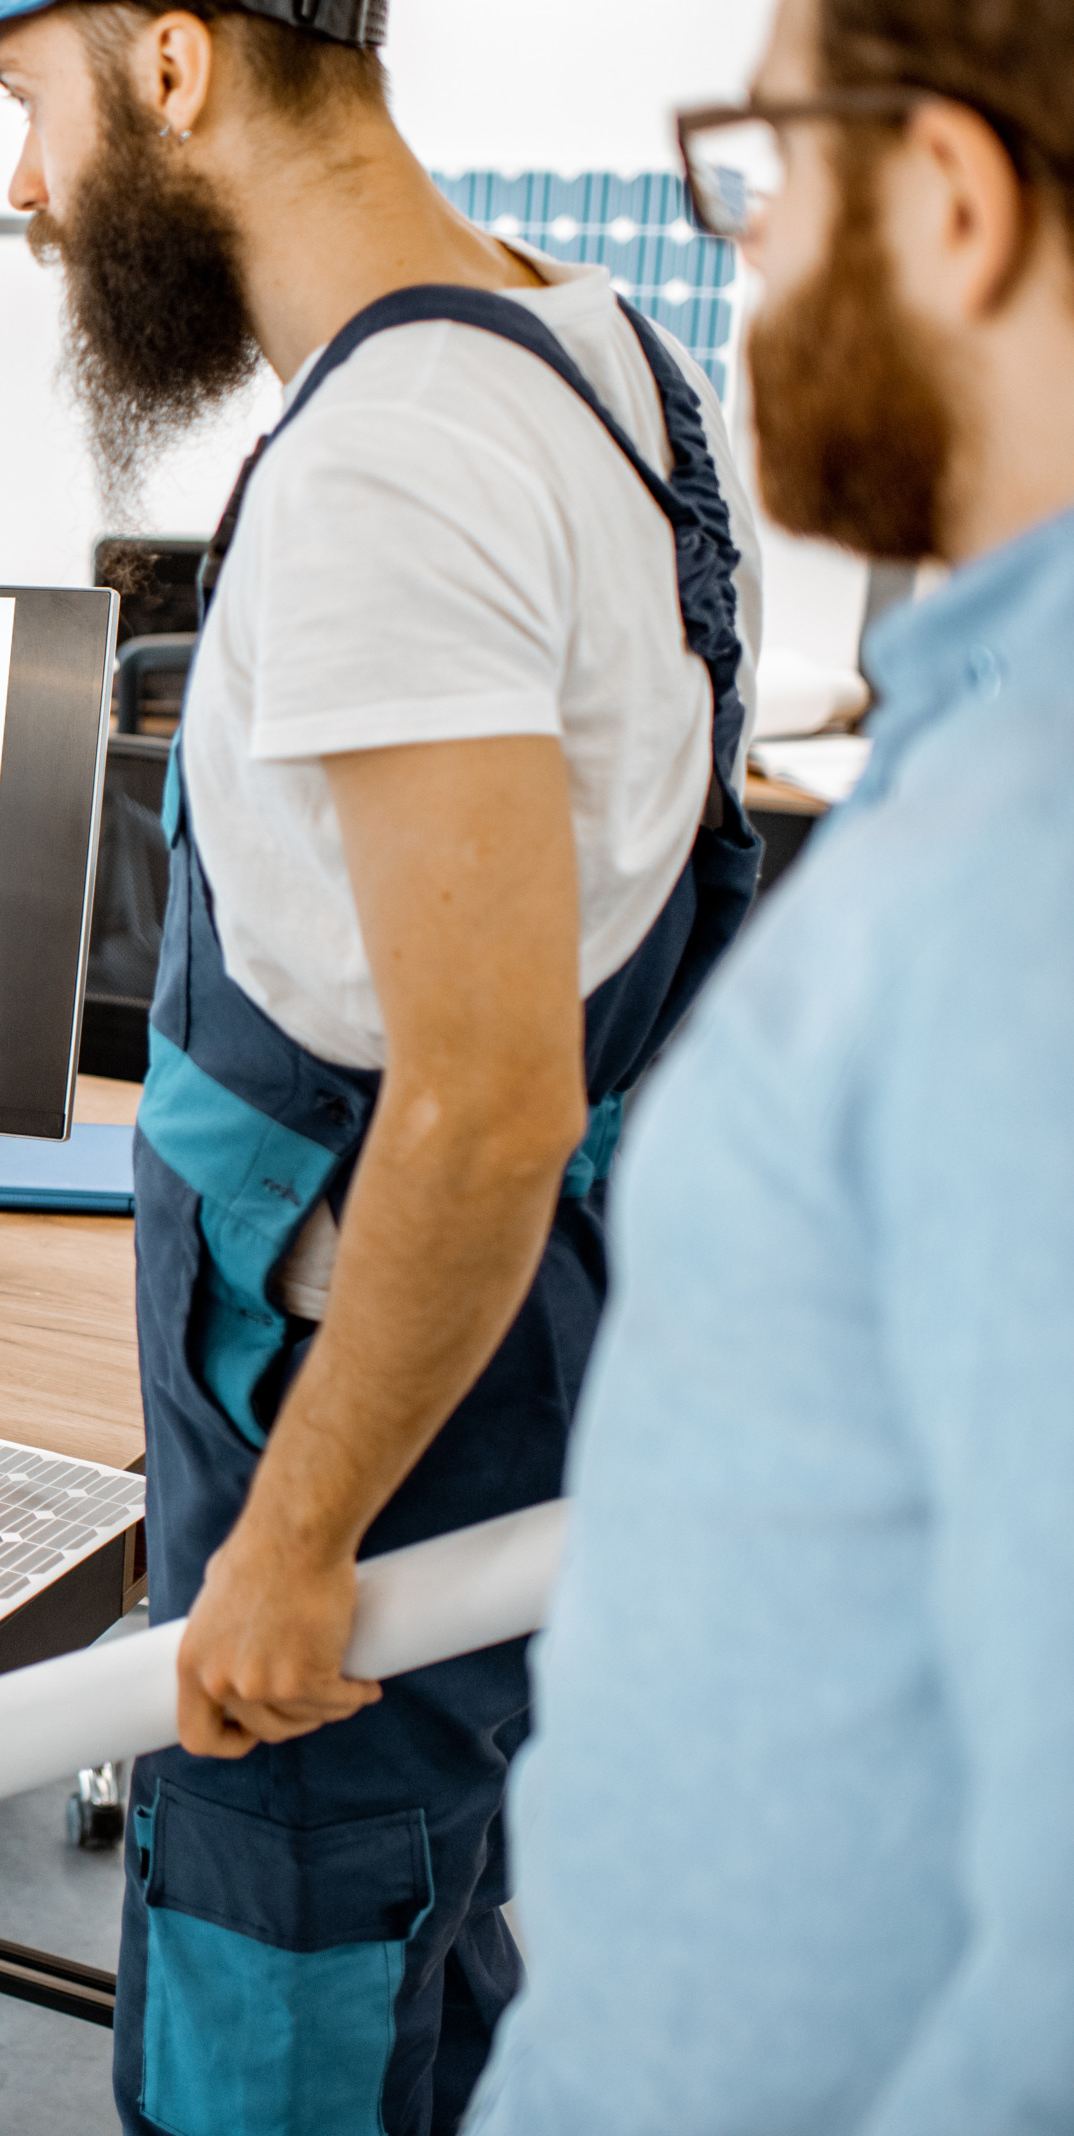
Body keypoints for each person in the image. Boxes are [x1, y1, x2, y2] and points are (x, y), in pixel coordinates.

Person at [0, 3, 763, 2129]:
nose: (23, 192)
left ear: (171, 64)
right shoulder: (606, 356)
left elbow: (483, 1095)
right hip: (510, 1381)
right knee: (421, 1953)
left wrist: (290, 1545)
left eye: (32, 110)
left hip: (357, 1439)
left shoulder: (386, 463)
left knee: (275, 2017)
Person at [468, 0, 1074, 2126]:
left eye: (765, 173)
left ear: (946, 197)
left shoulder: (1024, 892)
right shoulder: (978, 763)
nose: (743, 250)